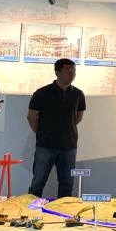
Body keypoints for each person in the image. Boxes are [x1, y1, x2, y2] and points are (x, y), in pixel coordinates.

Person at [27, 58, 86, 198]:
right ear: (57, 72)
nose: (72, 73)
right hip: (45, 146)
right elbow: (32, 117)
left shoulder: (78, 94)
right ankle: (31, 209)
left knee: (67, 184)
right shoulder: (42, 93)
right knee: (38, 183)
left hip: (69, 146)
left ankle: (63, 210)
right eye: (68, 70)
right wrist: (42, 133)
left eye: (74, 70)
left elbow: (78, 117)